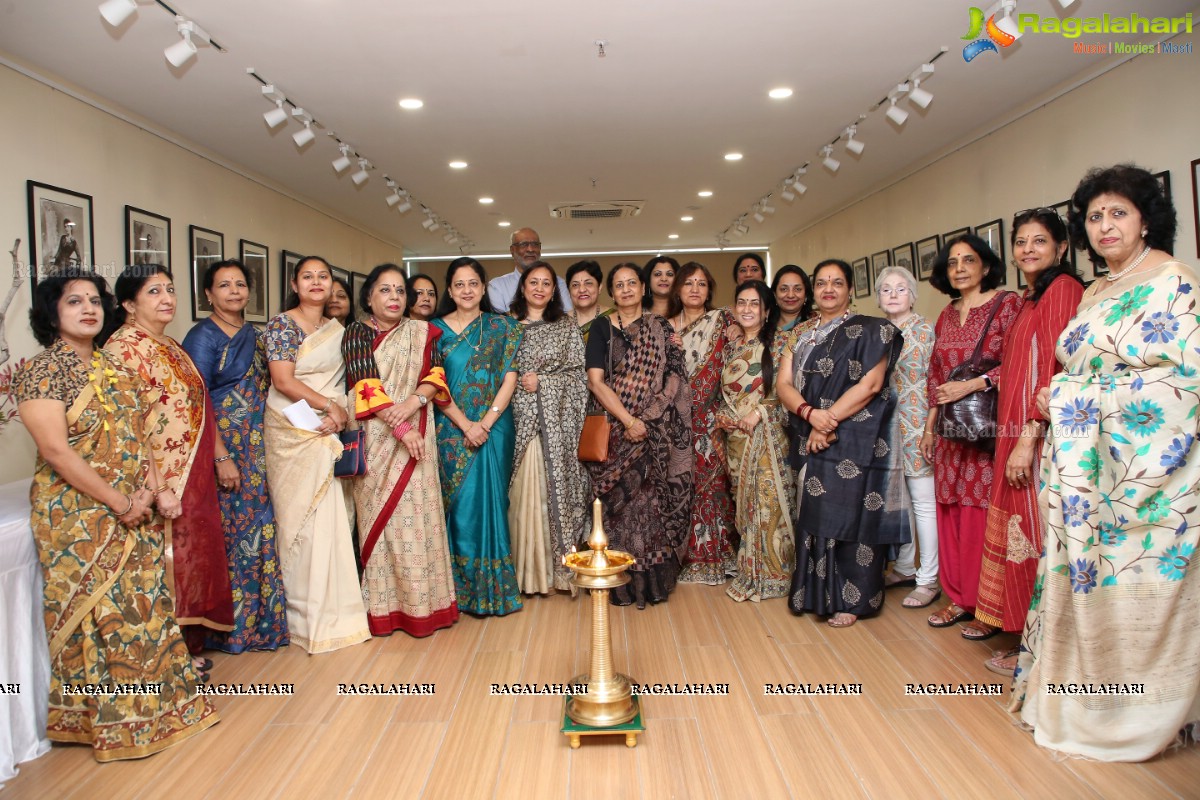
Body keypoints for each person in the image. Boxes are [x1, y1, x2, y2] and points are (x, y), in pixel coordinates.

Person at [1013, 165, 1200, 761]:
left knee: (1137, 583)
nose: (1105, 225)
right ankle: (1077, 694)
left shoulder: (1173, 281)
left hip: (1144, 472)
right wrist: (1057, 394)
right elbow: (1082, 368)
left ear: (1146, 218)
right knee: (1082, 578)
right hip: (1083, 470)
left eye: (1118, 212)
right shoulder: (1096, 291)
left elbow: (1181, 387)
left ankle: (1142, 708)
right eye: (1095, 216)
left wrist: (1068, 397)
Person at [16, 270, 218, 761]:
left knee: (145, 610)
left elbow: (141, 437)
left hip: (135, 506)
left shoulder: (116, 369)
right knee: (100, 615)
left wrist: (152, 490)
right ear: (52, 315)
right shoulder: (42, 371)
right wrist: (118, 501)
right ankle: (109, 723)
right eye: (73, 302)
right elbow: (57, 452)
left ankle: (162, 710)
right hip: (79, 515)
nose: (88, 309)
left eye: (94, 300)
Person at [104, 265, 234, 664]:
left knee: (192, 555)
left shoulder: (170, 344)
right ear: (129, 304)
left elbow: (200, 405)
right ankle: (168, 653)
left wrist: (220, 457)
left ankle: (186, 645)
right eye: (154, 292)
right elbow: (128, 423)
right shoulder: (122, 348)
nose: (167, 299)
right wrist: (158, 485)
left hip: (191, 465)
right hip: (159, 473)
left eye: (170, 289)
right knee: (165, 559)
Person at [975, 210, 1084, 673]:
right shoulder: (1030, 297)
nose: (1028, 250)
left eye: (1040, 241)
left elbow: (1057, 372)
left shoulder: (1063, 291)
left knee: (1036, 537)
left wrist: (1027, 439)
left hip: (1037, 436)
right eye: (1021, 242)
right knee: (1021, 535)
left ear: (1061, 247)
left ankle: (1043, 649)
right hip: (1015, 432)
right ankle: (1028, 639)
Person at [777, 259, 907, 628]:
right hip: (808, 431)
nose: (829, 289)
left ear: (851, 288)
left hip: (857, 435)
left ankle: (856, 598)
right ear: (813, 290)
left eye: (837, 282)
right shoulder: (799, 333)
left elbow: (871, 385)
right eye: (821, 283)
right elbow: (783, 385)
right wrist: (810, 414)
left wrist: (827, 418)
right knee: (815, 511)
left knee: (854, 512)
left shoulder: (872, 330)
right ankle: (815, 592)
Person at [342, 264, 459, 637]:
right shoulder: (356, 333)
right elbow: (364, 383)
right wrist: (402, 425)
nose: (394, 298)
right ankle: (385, 611)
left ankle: (427, 606)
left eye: (399, 291)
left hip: (418, 436)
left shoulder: (421, 332)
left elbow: (436, 376)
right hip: (377, 437)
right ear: (369, 297)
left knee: (420, 521)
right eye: (385, 291)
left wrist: (411, 405)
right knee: (383, 523)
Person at [181, 260, 289, 653]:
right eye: (224, 285)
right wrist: (220, 456)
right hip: (225, 447)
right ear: (208, 294)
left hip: (258, 444)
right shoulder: (202, 337)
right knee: (233, 533)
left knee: (261, 528)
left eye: (240, 284)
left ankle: (263, 624)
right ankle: (231, 629)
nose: (234, 291)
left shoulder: (254, 334)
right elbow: (197, 401)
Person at [264, 255, 369, 653]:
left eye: (323, 276)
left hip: (329, 427)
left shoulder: (336, 329)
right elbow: (282, 380)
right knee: (302, 521)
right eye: (307, 276)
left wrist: (337, 414)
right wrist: (329, 408)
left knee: (335, 519)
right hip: (292, 429)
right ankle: (304, 618)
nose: (316, 282)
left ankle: (341, 613)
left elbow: (345, 380)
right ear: (295, 284)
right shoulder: (282, 324)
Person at [921, 235, 1021, 638]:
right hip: (948, 432)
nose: (960, 268)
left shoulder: (1007, 304)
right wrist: (929, 429)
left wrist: (974, 384)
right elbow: (935, 376)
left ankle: (987, 606)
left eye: (969, 260)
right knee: (950, 512)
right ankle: (958, 598)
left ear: (986, 265)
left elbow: (1018, 362)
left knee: (980, 514)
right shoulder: (946, 314)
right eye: (952, 263)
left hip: (986, 430)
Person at [584, 263, 693, 608]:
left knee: (649, 510)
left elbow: (675, 376)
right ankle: (618, 584)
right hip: (615, 430)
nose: (627, 289)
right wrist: (629, 420)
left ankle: (649, 585)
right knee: (616, 511)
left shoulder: (660, 327)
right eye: (619, 285)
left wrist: (648, 418)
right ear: (611, 293)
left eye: (632, 283)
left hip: (654, 432)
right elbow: (595, 381)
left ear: (643, 288)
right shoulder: (601, 327)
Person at [432, 257, 524, 615]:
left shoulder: (502, 327)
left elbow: (510, 379)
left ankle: (492, 591)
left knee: (490, 505)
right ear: (450, 290)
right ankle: (456, 592)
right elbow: (432, 384)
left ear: (483, 288)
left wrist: (484, 423)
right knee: (457, 509)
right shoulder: (433, 331)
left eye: (473, 283)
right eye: (459, 284)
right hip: (449, 430)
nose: (467, 290)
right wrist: (464, 423)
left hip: (494, 429)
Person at [508, 261, 590, 594]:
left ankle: (555, 570)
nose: (540, 288)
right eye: (533, 282)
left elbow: (579, 377)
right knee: (522, 494)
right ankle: (525, 573)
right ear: (523, 287)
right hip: (517, 421)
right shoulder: (507, 327)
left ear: (554, 291)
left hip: (555, 425)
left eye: (546, 283)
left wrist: (543, 382)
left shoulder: (566, 326)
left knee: (551, 493)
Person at [718, 281, 795, 601]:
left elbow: (784, 389)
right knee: (745, 506)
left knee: (768, 504)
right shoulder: (730, 347)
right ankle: (750, 569)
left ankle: (776, 574)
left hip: (766, 437)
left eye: (754, 304)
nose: (747, 309)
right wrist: (723, 416)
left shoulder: (779, 344)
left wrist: (758, 414)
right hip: (735, 439)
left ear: (766, 310)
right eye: (742, 303)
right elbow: (726, 392)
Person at [876, 266, 940, 609]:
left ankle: (929, 579)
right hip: (887, 428)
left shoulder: (926, 331)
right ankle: (903, 567)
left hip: (919, 427)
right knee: (899, 502)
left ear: (913, 295)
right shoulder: (879, 333)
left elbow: (936, 383)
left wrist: (931, 428)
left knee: (923, 502)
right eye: (886, 290)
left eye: (901, 289)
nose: (894, 294)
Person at [668, 261, 736, 584]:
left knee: (714, 486)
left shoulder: (724, 321)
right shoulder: (666, 327)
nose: (695, 289)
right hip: (678, 422)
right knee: (686, 487)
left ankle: (719, 555)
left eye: (702, 284)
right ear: (677, 289)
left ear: (709, 290)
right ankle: (688, 555)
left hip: (713, 419)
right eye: (689, 283)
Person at [486, 227, 571, 313]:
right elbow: (498, 322)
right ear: (512, 250)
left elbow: (569, 317)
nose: (530, 249)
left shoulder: (559, 283)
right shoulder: (497, 286)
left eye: (535, 244)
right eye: (524, 244)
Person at [566, 258, 610, 341]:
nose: (582, 290)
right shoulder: (560, 322)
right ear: (569, 290)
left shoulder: (614, 318)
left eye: (588, 283)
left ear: (599, 287)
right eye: (575, 285)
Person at [772, 264, 815, 333]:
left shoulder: (818, 324)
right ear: (774, 294)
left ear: (806, 294)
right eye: (784, 289)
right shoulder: (764, 327)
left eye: (797, 289)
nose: (791, 295)